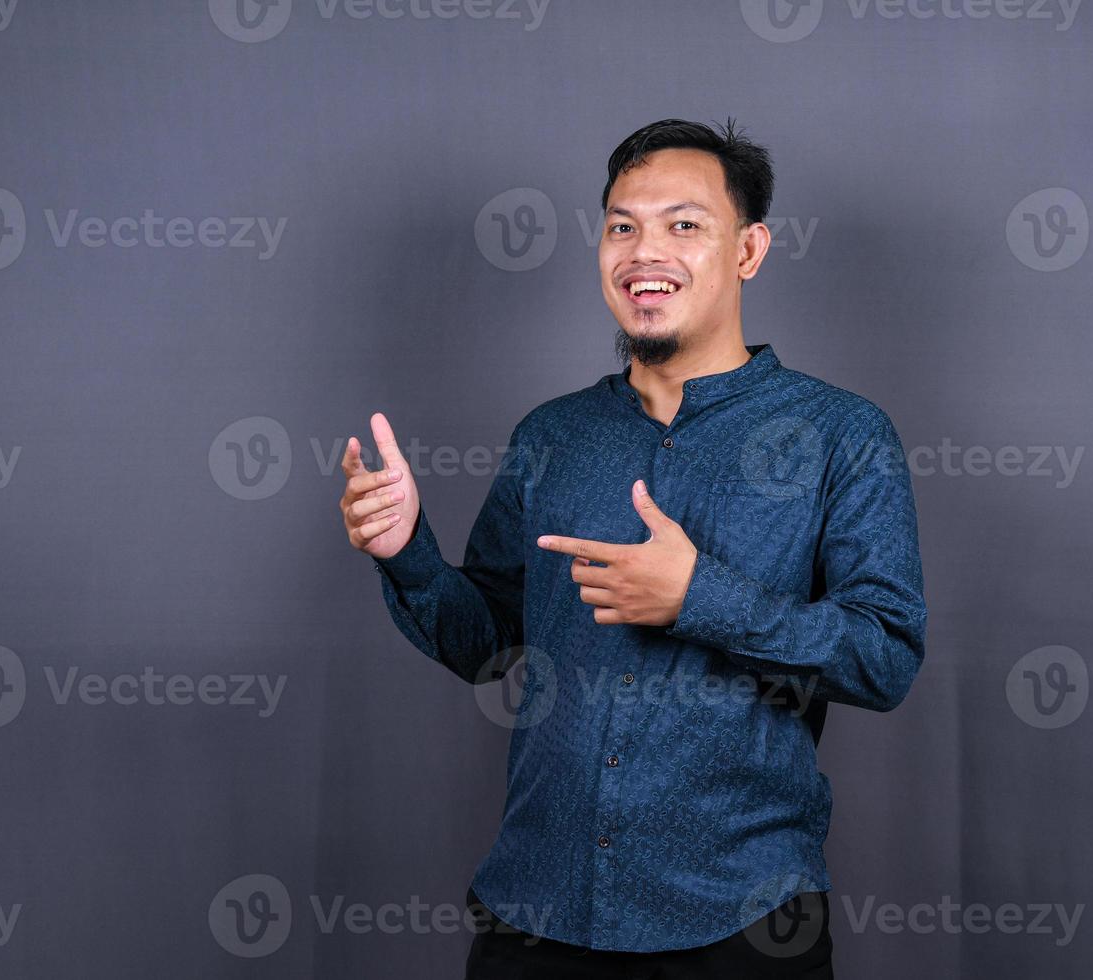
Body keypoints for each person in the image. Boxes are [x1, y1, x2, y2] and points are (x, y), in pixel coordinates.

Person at [340, 118, 927, 978]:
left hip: (742, 923)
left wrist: (701, 597)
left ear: (749, 250)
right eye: (623, 225)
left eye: (684, 225)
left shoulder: (844, 435)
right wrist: (408, 554)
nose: (644, 250)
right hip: (537, 913)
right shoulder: (553, 435)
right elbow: (486, 645)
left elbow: (885, 656)